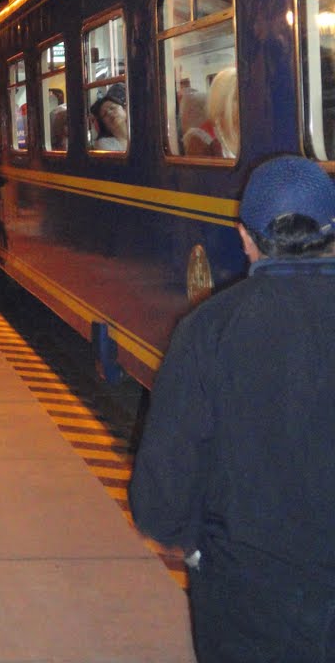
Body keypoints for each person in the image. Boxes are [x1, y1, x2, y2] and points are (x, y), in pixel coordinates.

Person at [129, 154, 335, 663]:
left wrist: (193, 546)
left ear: (246, 237)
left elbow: (162, 490)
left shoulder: (210, 329)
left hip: (250, 593)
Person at [90, 82, 128, 151]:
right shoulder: (103, 144)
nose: (110, 113)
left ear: (124, 109)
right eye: (105, 114)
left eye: (112, 108)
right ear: (105, 125)